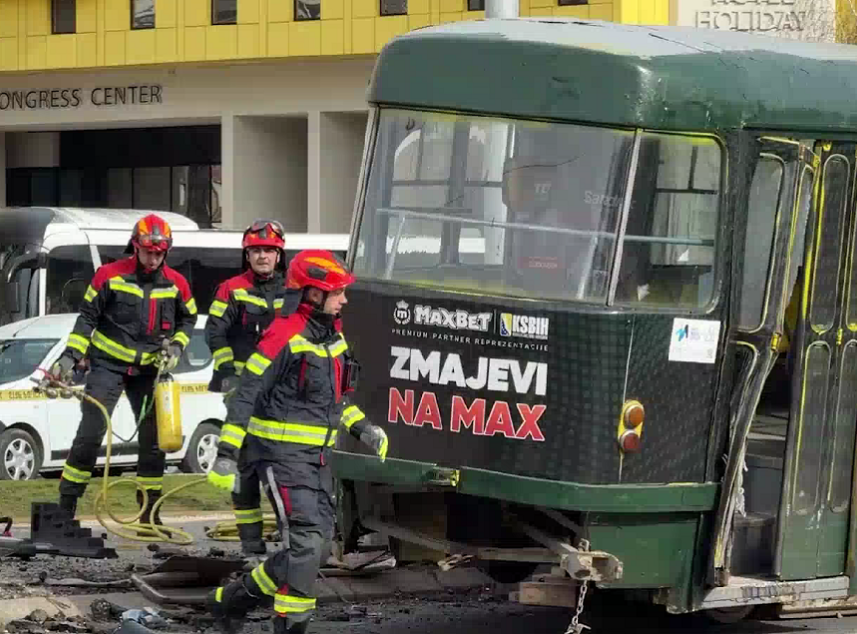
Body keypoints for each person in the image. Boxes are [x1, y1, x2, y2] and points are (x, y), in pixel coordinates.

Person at [205, 249, 389, 634]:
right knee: (306, 546)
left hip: (316, 460)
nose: (345, 299)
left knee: (317, 549)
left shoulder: (332, 336)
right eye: (337, 292)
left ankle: (230, 602)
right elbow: (247, 394)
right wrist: (226, 454)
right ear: (312, 294)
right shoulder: (283, 335)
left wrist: (363, 429)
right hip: (280, 458)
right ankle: (289, 626)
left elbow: (335, 401)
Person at [49, 214, 197, 525]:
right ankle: (65, 508)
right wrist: (69, 357)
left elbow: (189, 319)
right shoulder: (108, 275)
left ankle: (149, 517)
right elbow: (86, 319)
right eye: (148, 252)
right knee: (90, 434)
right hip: (108, 366)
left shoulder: (176, 284)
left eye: (159, 253)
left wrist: (178, 346)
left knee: (154, 442)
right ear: (135, 246)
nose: (154, 259)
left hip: (150, 371)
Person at [205, 218, 300, 559]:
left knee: (285, 464)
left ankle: (294, 546)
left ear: (279, 255)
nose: (262, 257)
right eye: (256, 251)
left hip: (284, 393)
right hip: (243, 391)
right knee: (244, 467)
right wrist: (228, 372)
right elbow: (214, 333)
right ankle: (251, 547)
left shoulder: (293, 289)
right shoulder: (231, 288)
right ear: (247, 255)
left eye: (269, 251)